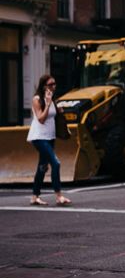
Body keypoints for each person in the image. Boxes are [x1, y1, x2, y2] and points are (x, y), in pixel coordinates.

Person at [26, 74, 72, 206]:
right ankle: (59, 196)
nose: (53, 87)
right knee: (56, 163)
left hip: (50, 137)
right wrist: (46, 104)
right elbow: (41, 119)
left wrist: (58, 110)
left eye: (54, 84)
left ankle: (35, 196)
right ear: (44, 85)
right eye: (51, 84)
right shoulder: (37, 99)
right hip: (39, 137)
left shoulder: (52, 99)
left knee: (42, 166)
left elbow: (54, 117)